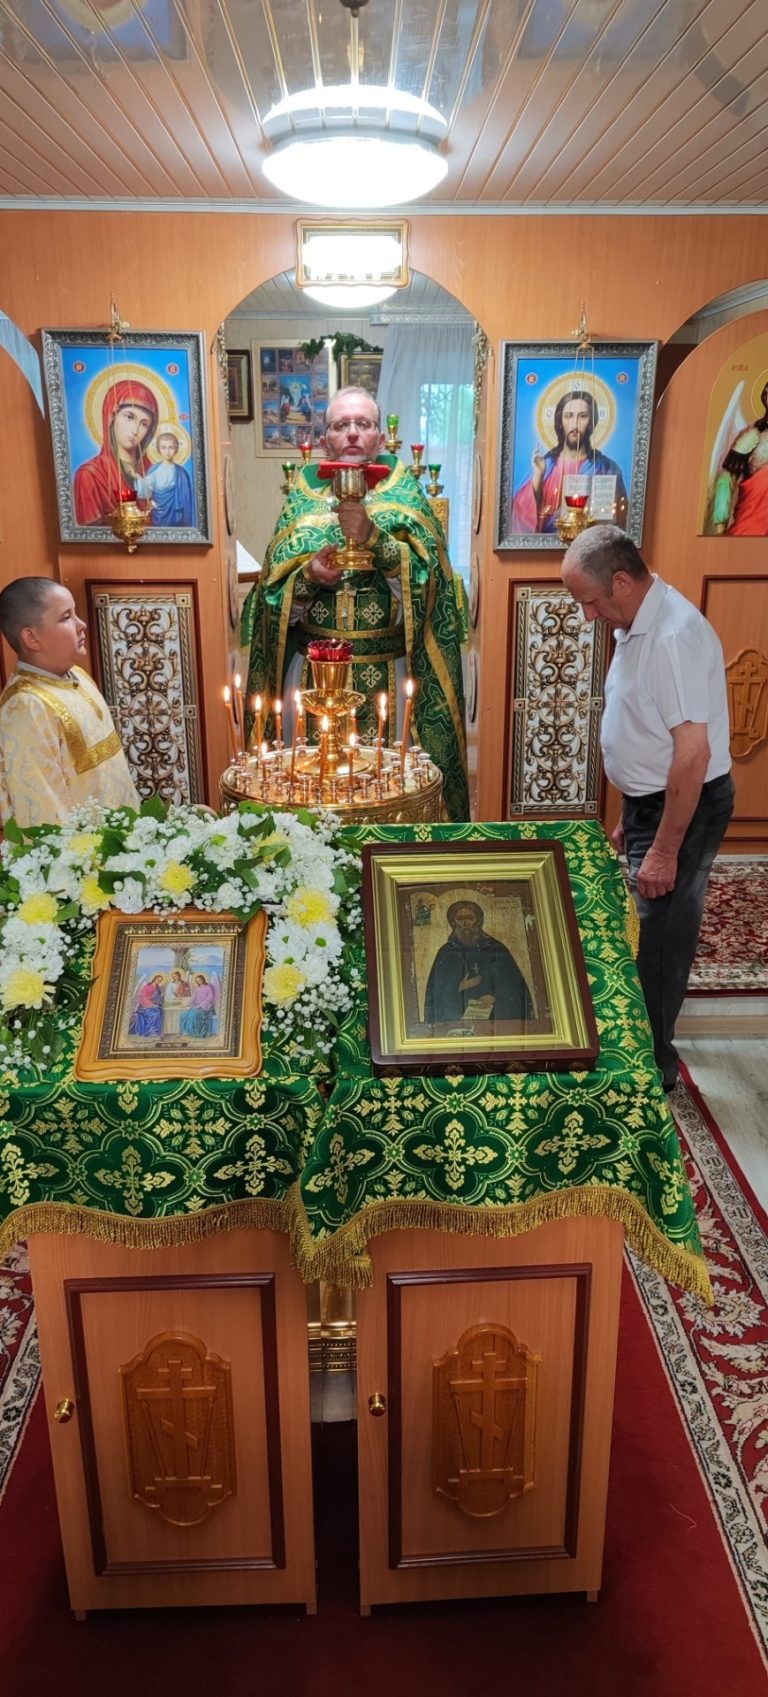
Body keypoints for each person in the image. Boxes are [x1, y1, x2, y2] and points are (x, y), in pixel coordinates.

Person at [242, 387, 469, 820]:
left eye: (362, 424)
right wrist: (308, 578)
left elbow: (432, 590)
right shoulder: (302, 503)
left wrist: (374, 539)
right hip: (310, 679)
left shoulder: (406, 499)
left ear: (380, 437)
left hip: (387, 676)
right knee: (310, 798)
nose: (351, 433)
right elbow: (269, 601)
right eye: (340, 425)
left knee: (386, 796)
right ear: (324, 439)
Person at [561, 525, 734, 1092]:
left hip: (683, 808)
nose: (588, 615)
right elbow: (644, 728)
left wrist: (662, 849)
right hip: (653, 803)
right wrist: (630, 811)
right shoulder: (636, 622)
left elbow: (692, 755)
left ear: (620, 581)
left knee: (661, 940)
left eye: (590, 601)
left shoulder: (672, 638)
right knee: (647, 928)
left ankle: (655, 1070)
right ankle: (645, 1047)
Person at [0, 577, 140, 827]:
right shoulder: (26, 705)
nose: (81, 624)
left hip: (125, 838)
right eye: (66, 617)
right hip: (88, 849)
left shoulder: (78, 675)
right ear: (32, 638)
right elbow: (43, 813)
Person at [511, 389, 628, 535]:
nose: (575, 424)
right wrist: (538, 477)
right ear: (560, 421)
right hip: (545, 547)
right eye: (568, 416)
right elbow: (519, 514)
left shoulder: (607, 468)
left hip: (590, 546)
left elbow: (619, 520)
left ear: (591, 423)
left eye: (583, 416)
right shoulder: (546, 466)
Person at [424, 899, 534, 1027]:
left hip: (494, 1023)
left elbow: (514, 988)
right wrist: (460, 989)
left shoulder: (495, 949)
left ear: (478, 920)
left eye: (470, 918)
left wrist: (493, 997)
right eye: (460, 919)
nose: (465, 923)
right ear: (453, 922)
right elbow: (438, 996)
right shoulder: (446, 953)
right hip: (458, 1025)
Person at [73, 377, 158, 525]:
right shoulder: (90, 475)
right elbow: (90, 533)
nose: (135, 430)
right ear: (112, 416)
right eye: (129, 417)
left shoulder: (154, 473)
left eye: (144, 424)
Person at [708, 381, 768, 535]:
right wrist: (721, 524)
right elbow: (725, 479)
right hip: (752, 526)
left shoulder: (749, 437)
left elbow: (725, 480)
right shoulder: (749, 438)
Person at [137, 428, 194, 527]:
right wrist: (137, 479)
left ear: (176, 449)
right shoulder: (155, 470)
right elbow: (146, 492)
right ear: (159, 449)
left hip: (176, 515)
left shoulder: (182, 474)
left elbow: (187, 504)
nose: (167, 451)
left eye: (171, 447)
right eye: (164, 447)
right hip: (157, 513)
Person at [180, 973, 217, 1038]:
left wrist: (201, 1005)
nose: (198, 982)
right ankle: (187, 1031)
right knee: (184, 1015)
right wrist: (187, 1004)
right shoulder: (197, 988)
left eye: (199, 980)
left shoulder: (208, 988)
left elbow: (210, 999)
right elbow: (193, 998)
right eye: (197, 981)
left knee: (193, 1015)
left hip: (206, 1007)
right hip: (197, 1006)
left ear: (203, 979)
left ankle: (195, 1032)